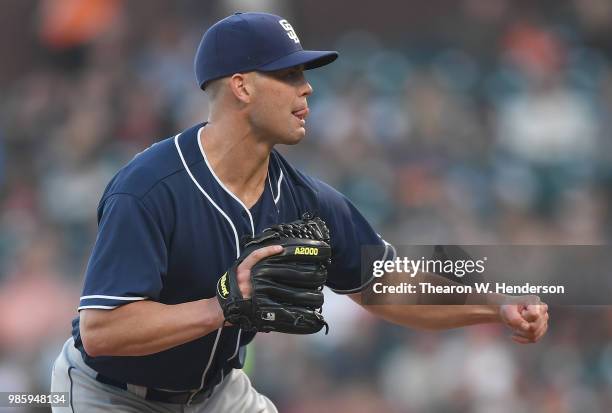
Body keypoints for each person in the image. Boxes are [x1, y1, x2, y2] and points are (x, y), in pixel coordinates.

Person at [50, 12, 549, 412]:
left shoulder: (305, 198)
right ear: (242, 87)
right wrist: (220, 308)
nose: (307, 88)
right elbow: (101, 332)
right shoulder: (151, 188)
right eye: (289, 74)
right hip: (110, 396)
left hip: (217, 395)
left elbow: (385, 285)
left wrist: (494, 306)